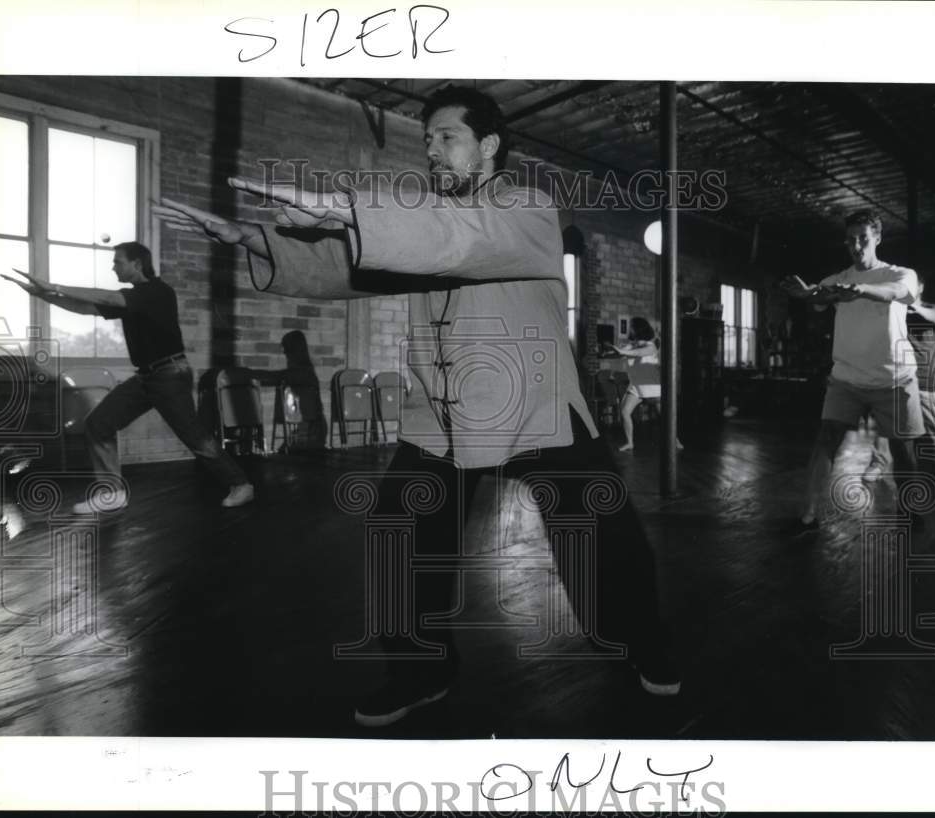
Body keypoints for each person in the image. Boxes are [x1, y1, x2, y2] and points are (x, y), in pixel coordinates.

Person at [155, 85, 680, 728]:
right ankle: (421, 672)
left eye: (446, 137)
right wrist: (251, 238)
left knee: (602, 541)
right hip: (443, 412)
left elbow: (458, 239)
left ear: (488, 146)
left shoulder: (527, 208)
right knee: (400, 533)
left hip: (535, 403)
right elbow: (354, 269)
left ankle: (641, 643)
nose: (432, 150)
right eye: (427, 139)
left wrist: (348, 207)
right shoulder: (426, 222)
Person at [2, 243, 255, 512]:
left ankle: (241, 485)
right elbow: (85, 307)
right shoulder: (133, 299)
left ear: (137, 264)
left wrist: (53, 285)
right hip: (147, 377)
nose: (114, 267)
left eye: (118, 262)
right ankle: (113, 494)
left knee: (194, 437)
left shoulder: (157, 292)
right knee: (98, 424)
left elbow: (107, 298)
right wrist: (42, 295)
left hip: (169, 375)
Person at [782, 210, 924, 531]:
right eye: (850, 240)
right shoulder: (837, 280)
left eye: (863, 238)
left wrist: (860, 290)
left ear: (877, 238)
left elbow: (892, 294)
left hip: (894, 378)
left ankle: (910, 509)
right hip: (846, 377)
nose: (856, 245)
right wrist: (806, 293)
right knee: (826, 439)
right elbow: (817, 296)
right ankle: (808, 513)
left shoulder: (901, 274)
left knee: (903, 448)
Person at [863, 273, 935, 482]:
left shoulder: (934, 308)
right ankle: (878, 463)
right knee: (886, 424)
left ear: (920, 287)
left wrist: (912, 307)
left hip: (933, 381)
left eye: (910, 285)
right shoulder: (893, 311)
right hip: (901, 379)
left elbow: (934, 317)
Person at [239, 330, 327, 451]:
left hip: (312, 432)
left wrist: (249, 374)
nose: (285, 353)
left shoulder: (302, 373)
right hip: (314, 430)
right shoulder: (307, 372)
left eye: (287, 349)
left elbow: (276, 376)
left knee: (284, 453)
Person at [609, 316, 683, 453]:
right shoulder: (631, 345)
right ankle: (630, 443)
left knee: (664, 417)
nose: (629, 329)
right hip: (636, 385)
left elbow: (639, 353)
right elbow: (620, 354)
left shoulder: (651, 345)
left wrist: (623, 351)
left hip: (653, 387)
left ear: (638, 329)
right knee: (625, 411)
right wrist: (608, 351)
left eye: (631, 326)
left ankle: (675, 440)